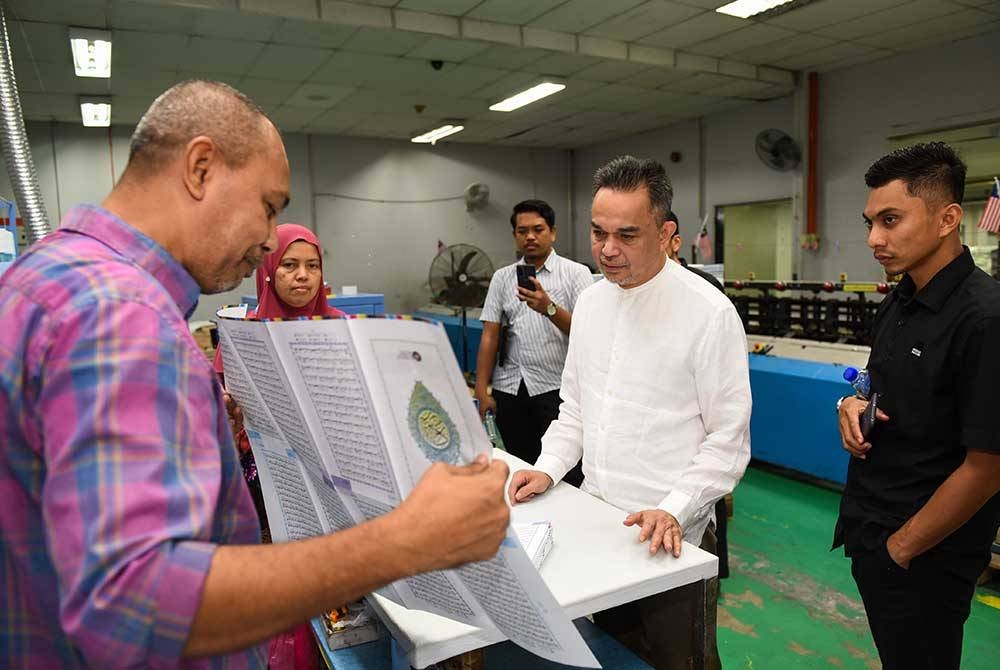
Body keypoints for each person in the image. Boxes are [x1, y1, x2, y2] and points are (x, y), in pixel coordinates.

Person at [0, 80, 510, 669]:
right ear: (200, 168)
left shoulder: (49, 276)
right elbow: (132, 606)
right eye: (268, 206)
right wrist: (404, 542)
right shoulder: (123, 317)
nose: (269, 238)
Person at [508, 156, 752, 670]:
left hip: (672, 535)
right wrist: (547, 467)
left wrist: (676, 507)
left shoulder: (708, 313)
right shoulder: (593, 304)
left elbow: (728, 438)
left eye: (627, 235)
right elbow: (574, 407)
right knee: (617, 655)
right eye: (598, 232)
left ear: (665, 234)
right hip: (598, 523)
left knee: (681, 660)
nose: (607, 249)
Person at [834, 142, 1000, 670]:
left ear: (949, 218)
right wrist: (851, 402)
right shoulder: (900, 299)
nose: (874, 239)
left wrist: (899, 551)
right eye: (869, 223)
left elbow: (987, 468)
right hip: (873, 526)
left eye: (890, 220)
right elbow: (878, 385)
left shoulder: (984, 318)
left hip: (926, 553)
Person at [213, 223, 347, 668]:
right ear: (268, 272)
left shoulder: (341, 330)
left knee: (330, 584)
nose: (302, 276)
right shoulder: (245, 335)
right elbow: (218, 411)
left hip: (333, 480)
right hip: (266, 485)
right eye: (289, 265)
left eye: (312, 266)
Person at [474, 199, 593, 485]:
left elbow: (588, 333)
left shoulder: (576, 274)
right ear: (514, 234)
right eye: (522, 230)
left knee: (565, 472)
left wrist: (548, 308)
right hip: (510, 389)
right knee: (519, 465)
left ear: (553, 232)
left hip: (556, 390)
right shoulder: (502, 278)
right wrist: (481, 388)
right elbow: (490, 333)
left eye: (538, 229)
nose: (529, 236)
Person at [665, 211, 731, 581]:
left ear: (673, 239)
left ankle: (712, 568)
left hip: (702, 411)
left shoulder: (706, 291)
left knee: (707, 501)